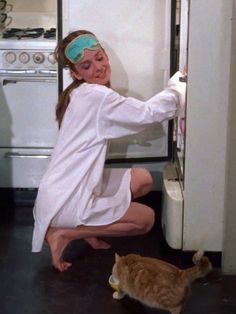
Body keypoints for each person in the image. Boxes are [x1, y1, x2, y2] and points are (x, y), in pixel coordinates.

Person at [32, 30, 186, 272]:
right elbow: (146, 114)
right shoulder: (96, 96)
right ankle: (65, 233)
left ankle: (86, 229)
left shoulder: (78, 92)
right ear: (76, 74)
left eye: (100, 58)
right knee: (146, 220)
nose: (98, 67)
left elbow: (116, 121)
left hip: (60, 190)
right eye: (86, 65)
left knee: (143, 180)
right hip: (67, 198)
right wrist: (178, 87)